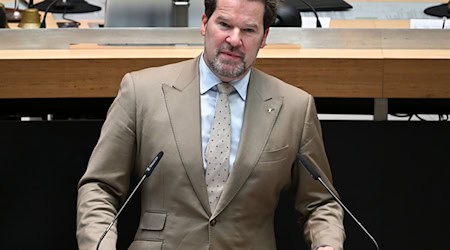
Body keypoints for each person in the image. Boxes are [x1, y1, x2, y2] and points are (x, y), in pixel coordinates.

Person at [76, 0, 345, 249]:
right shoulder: (142, 91)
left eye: (249, 30)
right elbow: (100, 187)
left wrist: (327, 244)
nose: (234, 40)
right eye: (224, 25)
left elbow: (320, 202)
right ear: (204, 23)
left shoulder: (295, 107)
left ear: (264, 38)